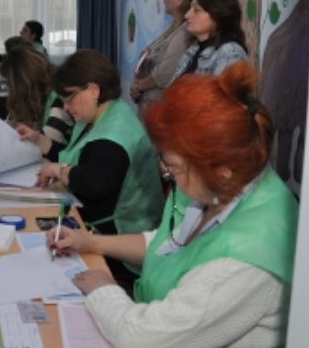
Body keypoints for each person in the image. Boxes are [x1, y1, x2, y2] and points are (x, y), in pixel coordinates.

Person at [51, 62, 298, 347]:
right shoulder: (224, 185)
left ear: (220, 172)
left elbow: (142, 339)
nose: (166, 173)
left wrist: (103, 289)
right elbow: (167, 245)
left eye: (174, 167)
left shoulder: (245, 261)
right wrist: (89, 242)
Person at [29, 49, 164, 286]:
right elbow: (72, 155)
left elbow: (95, 183)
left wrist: (60, 170)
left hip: (120, 246)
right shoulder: (102, 116)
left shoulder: (114, 135)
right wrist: (38, 140)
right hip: (96, 229)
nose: (66, 107)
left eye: (69, 98)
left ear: (93, 90)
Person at [130, 0, 199, 109]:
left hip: (160, 104)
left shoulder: (185, 32)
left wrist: (139, 86)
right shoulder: (172, 27)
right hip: (149, 101)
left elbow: (165, 72)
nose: (164, 0)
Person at [0, 45, 73, 160]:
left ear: (21, 84)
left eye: (9, 82)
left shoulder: (60, 98)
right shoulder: (36, 97)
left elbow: (48, 141)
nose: (7, 88)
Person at [170, 0, 248, 81]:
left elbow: (222, 90)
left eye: (196, 10)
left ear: (218, 15)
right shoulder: (194, 49)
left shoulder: (230, 53)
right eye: (189, 9)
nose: (187, 15)